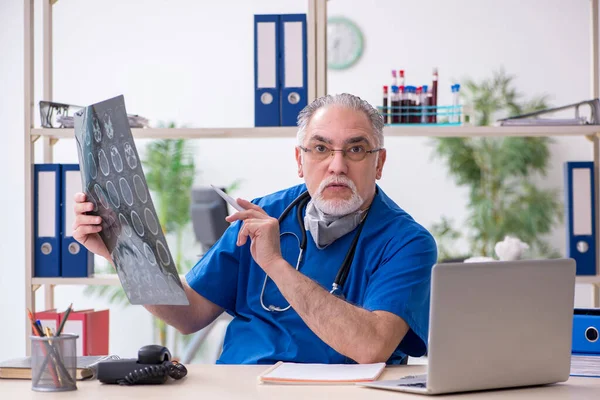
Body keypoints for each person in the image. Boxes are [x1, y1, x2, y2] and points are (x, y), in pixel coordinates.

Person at [72, 93, 438, 365]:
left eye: (356, 149)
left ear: (379, 163)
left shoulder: (408, 243)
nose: (336, 165)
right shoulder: (263, 215)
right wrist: (119, 251)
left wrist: (277, 265)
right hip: (242, 387)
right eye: (321, 148)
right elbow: (189, 314)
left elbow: (371, 346)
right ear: (300, 160)